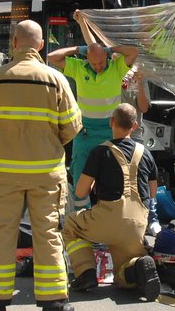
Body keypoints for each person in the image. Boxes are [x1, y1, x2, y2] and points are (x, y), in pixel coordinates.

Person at [0, 19, 80, 311]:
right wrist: (47, 142)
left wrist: (3, 139)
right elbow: (72, 125)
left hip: (4, 170)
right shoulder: (55, 79)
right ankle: (53, 303)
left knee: (1, 233)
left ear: (14, 43)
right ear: (42, 45)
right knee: (47, 233)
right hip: (46, 172)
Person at [65, 102, 160, 298]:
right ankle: (137, 267)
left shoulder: (100, 152)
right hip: (136, 226)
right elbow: (152, 192)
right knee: (122, 275)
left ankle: (86, 272)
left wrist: (93, 184)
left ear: (111, 122)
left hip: (106, 220)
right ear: (134, 127)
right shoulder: (146, 154)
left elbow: (81, 192)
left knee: (70, 224)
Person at [47, 34, 139, 190]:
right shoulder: (78, 67)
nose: (98, 66)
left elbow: (133, 52)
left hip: (110, 130)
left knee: (112, 173)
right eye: (94, 62)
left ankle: (107, 207)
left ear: (106, 56)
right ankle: (81, 210)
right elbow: (51, 57)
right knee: (79, 172)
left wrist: (111, 49)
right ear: (86, 58)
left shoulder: (117, 67)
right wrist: (79, 49)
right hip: (85, 130)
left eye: (101, 62)